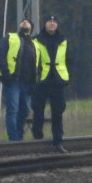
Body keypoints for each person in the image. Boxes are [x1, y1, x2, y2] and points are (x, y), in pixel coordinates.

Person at [31, 14, 74, 153]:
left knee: (58, 111)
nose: (52, 23)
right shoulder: (36, 40)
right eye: (49, 21)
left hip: (58, 80)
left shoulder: (63, 40)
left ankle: (58, 140)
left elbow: (70, 59)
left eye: (54, 21)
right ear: (45, 24)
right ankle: (37, 139)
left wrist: (67, 76)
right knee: (38, 111)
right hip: (42, 80)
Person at [0, 18, 37, 141]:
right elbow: (0, 55)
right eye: (23, 21)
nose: (24, 22)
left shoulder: (34, 44)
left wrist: (34, 83)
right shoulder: (10, 37)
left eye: (27, 21)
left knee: (24, 110)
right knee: (13, 109)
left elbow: (37, 64)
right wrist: (6, 74)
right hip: (13, 81)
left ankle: (19, 135)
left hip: (27, 83)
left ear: (31, 27)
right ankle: (14, 139)